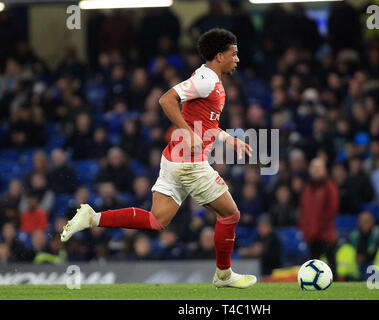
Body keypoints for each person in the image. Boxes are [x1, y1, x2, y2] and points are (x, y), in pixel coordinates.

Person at [60, 28, 256, 288]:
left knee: (156, 220)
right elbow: (166, 100)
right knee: (230, 215)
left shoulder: (211, 81)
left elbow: (203, 120)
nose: (237, 59)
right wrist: (187, 132)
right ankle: (223, 275)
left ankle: (92, 217)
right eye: (234, 54)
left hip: (173, 159)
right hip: (190, 164)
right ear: (220, 56)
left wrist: (226, 138)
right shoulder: (206, 79)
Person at [299, 157, 339, 277]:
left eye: (318, 168)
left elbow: (331, 210)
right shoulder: (307, 188)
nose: (316, 171)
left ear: (324, 170)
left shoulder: (329, 187)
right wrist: (305, 229)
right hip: (311, 235)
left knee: (331, 265)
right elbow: (304, 211)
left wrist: (317, 228)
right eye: (314, 168)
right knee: (311, 267)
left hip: (325, 234)